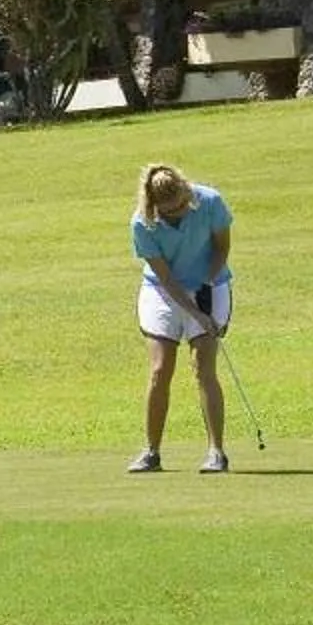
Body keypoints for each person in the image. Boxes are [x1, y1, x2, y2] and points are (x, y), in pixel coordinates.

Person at [127, 165, 234, 474]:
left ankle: (216, 452)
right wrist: (197, 313)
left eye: (182, 204)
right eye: (171, 211)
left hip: (209, 284)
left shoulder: (210, 201)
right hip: (163, 291)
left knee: (204, 367)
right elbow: (168, 280)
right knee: (160, 369)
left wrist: (208, 285)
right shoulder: (142, 224)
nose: (180, 212)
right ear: (155, 206)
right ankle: (151, 452)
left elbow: (221, 247)